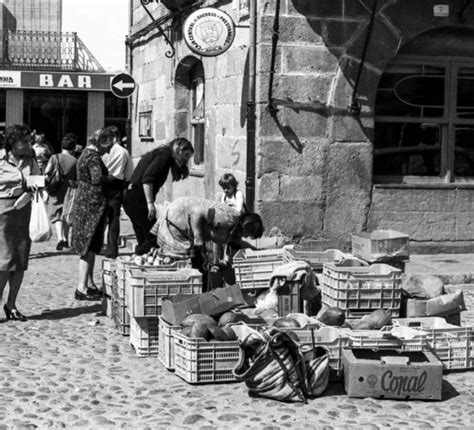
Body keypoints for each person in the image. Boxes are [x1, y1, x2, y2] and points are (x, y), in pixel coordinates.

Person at [150, 196, 264, 271]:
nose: (245, 237)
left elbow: (238, 247)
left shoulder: (235, 232)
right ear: (245, 228)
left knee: (192, 262)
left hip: (185, 223)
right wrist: (198, 237)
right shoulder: (228, 218)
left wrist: (259, 253)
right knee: (178, 261)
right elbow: (197, 213)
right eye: (247, 235)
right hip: (179, 215)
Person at [123, 138, 194, 255]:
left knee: (144, 237)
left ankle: (140, 260)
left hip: (131, 198)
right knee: (153, 236)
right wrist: (150, 203)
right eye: (186, 155)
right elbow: (147, 178)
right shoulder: (165, 155)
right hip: (137, 200)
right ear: (179, 150)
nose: (187, 160)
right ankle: (139, 256)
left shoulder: (164, 154)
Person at [0, 124, 40, 321]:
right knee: (5, 261)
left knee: (20, 260)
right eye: (24, 141)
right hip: (2, 212)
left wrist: (30, 191)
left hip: (24, 211)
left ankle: (11, 304)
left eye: (29, 141)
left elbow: (39, 182)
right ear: (12, 143)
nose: (28, 145)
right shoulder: (0, 160)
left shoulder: (31, 161)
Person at [70, 129, 114, 301]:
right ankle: (82, 287)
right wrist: (112, 178)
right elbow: (97, 178)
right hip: (91, 205)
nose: (109, 151)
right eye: (108, 146)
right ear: (101, 142)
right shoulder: (93, 157)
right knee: (88, 246)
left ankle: (89, 284)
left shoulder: (85, 154)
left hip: (85, 202)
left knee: (92, 246)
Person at [101, 126, 134, 259]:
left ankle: (98, 246)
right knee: (113, 218)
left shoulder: (102, 151)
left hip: (103, 184)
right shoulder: (123, 152)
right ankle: (112, 249)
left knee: (101, 217)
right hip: (117, 185)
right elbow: (130, 172)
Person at [44, 133, 78, 251]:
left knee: (56, 214)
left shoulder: (55, 157)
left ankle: (60, 238)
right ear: (73, 148)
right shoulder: (75, 160)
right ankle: (66, 239)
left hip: (55, 187)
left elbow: (47, 171)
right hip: (70, 188)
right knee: (67, 213)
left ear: (62, 147)